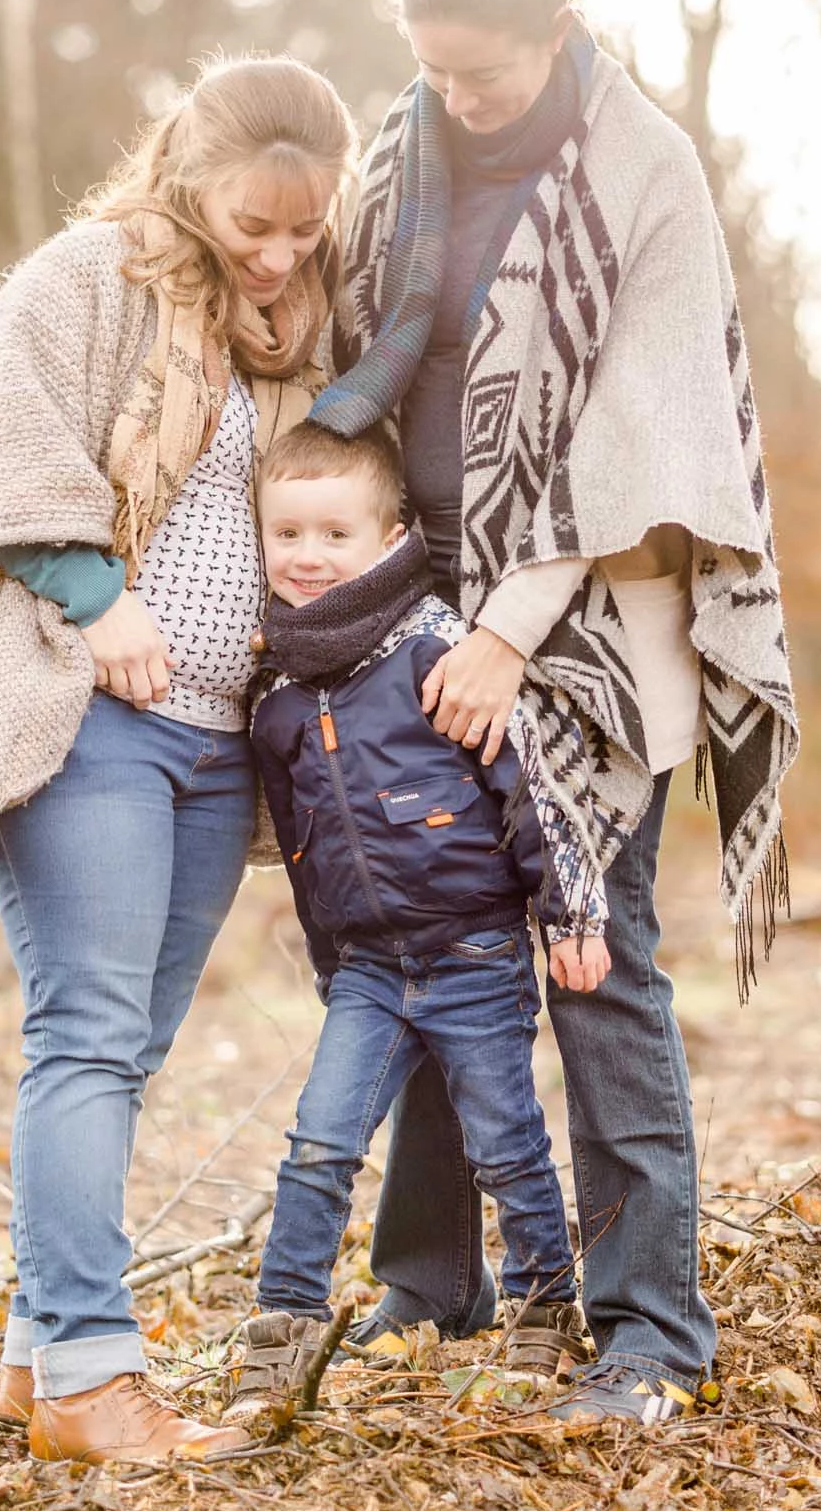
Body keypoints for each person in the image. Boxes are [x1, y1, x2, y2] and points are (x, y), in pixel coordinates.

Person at [309, 0, 799, 1434]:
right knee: (438, 943)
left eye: (485, 73)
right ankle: (433, 1278)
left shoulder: (644, 171)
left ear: (558, 28)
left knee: (599, 968)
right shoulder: (402, 153)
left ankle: (650, 1326)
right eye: (435, 67)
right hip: (418, 617)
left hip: (592, 636)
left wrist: (512, 636)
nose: (457, 97)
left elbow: (643, 434)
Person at [0, 54, 357, 1467]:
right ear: (190, 183)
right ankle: (91, 1377)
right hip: (85, 717)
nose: (273, 255)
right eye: (250, 226)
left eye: (301, 230)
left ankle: (34, 1359)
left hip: (216, 747)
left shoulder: (310, 333)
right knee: (83, 1034)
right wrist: (97, 597)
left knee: (128, 1051)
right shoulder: (94, 279)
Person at [227, 421, 610, 1419]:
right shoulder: (276, 689)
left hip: (473, 949)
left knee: (506, 1143)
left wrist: (568, 912)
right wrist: (327, 961)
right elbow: (308, 856)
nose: (308, 556)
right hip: (365, 969)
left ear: (391, 536)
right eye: (287, 534)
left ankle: (542, 1305)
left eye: (334, 534)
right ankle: (285, 1323)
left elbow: (530, 786)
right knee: (320, 1141)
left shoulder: (437, 648)